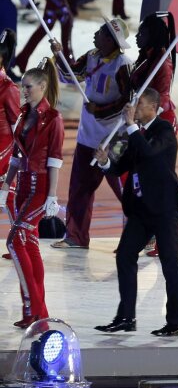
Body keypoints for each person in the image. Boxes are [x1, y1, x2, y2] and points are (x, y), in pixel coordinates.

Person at [94, 89, 178, 336]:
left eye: (140, 104)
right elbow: (122, 166)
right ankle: (126, 317)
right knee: (124, 255)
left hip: (164, 209)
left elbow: (149, 153)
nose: (134, 109)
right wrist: (105, 161)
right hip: (141, 209)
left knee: (171, 264)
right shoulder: (138, 134)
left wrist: (131, 128)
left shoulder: (164, 131)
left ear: (153, 107)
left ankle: (177, 321)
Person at [49, 20, 131, 249]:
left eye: (101, 32)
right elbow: (70, 75)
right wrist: (59, 55)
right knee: (79, 189)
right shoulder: (92, 56)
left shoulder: (123, 65)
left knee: (125, 191)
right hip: (88, 136)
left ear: (111, 40)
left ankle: (137, 237)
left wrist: (101, 110)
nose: (95, 34)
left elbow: (127, 100)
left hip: (114, 139)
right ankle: (76, 236)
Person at [1, 66, 63, 327]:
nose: (23, 90)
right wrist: (6, 185)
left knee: (14, 241)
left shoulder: (53, 117)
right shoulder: (23, 115)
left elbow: (55, 158)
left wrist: (52, 195)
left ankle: (35, 310)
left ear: (41, 87)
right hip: (23, 186)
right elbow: (16, 154)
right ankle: (36, 314)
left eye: (28, 86)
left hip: (40, 187)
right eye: (23, 85)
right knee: (29, 243)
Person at [130, 13, 177, 130]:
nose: (136, 36)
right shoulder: (147, 56)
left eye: (141, 33)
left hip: (160, 119)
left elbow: (160, 96)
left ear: (152, 36)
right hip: (146, 116)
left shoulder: (163, 63)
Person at [0, 30, 19, 215]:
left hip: (2, 153)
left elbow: (17, 128)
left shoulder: (8, 87)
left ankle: (21, 238)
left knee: (11, 197)